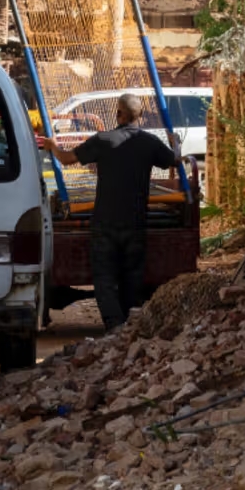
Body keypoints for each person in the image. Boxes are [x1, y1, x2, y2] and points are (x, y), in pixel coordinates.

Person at [71, 92, 179, 330]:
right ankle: (129, 322)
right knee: (132, 275)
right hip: (135, 221)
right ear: (139, 115)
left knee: (104, 276)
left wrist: (50, 147)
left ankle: (114, 325)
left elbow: (68, 158)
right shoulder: (149, 142)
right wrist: (175, 144)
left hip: (105, 223)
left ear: (118, 113)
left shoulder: (103, 139)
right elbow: (174, 160)